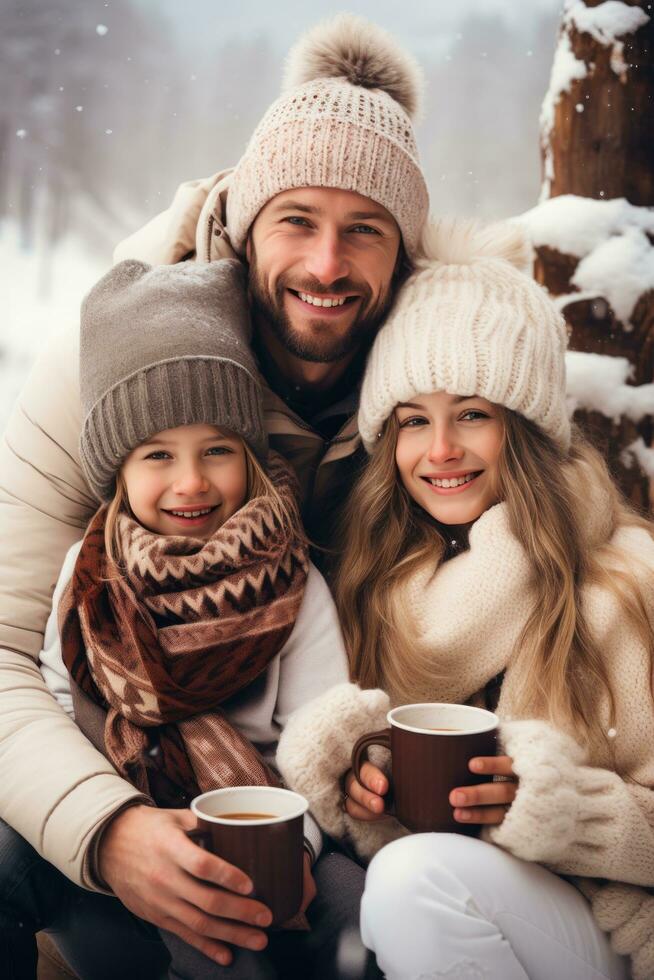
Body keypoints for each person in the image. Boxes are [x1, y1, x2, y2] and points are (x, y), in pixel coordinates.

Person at [0, 13, 427, 977]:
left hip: (293, 832)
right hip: (105, 818)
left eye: (365, 231)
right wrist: (108, 830)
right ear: (239, 229)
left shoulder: (434, 382)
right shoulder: (114, 368)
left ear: (404, 256)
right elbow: (9, 657)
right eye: (297, 223)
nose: (327, 266)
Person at [276, 219, 654, 980]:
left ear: (527, 429)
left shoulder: (625, 581)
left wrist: (564, 809)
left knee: (416, 881)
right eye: (414, 420)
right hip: (452, 926)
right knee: (405, 879)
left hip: (608, 933)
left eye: (473, 414)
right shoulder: (370, 586)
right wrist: (363, 787)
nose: (441, 449)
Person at [26, 255, 370, 979]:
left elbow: (320, 735)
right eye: (157, 455)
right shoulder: (91, 576)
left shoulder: (289, 578)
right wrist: (118, 826)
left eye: (218, 450)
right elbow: (61, 706)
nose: (191, 482)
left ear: (250, 456)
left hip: (261, 830)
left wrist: (296, 846)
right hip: (123, 833)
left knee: (351, 912)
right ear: (117, 471)